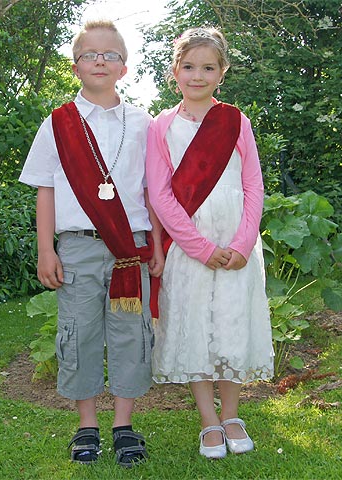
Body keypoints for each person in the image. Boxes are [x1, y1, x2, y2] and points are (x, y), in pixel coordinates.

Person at [19, 19, 164, 468]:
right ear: (76, 65)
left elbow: (151, 190)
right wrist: (47, 249)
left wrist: (156, 242)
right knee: (78, 334)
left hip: (129, 248)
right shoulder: (58, 123)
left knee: (130, 334)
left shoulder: (144, 123)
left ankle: (123, 426)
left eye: (110, 55)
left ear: (124, 67)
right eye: (90, 55)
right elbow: (45, 188)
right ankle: (87, 426)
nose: (100, 61)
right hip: (77, 246)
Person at [145, 26, 274, 459]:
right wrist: (199, 247)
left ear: (222, 72)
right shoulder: (161, 126)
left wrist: (242, 243)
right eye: (188, 67)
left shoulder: (237, 121)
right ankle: (208, 421)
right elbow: (160, 193)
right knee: (196, 325)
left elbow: (253, 185)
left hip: (236, 242)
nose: (197, 75)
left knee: (232, 323)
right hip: (190, 245)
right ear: (174, 71)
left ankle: (233, 415)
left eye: (208, 67)